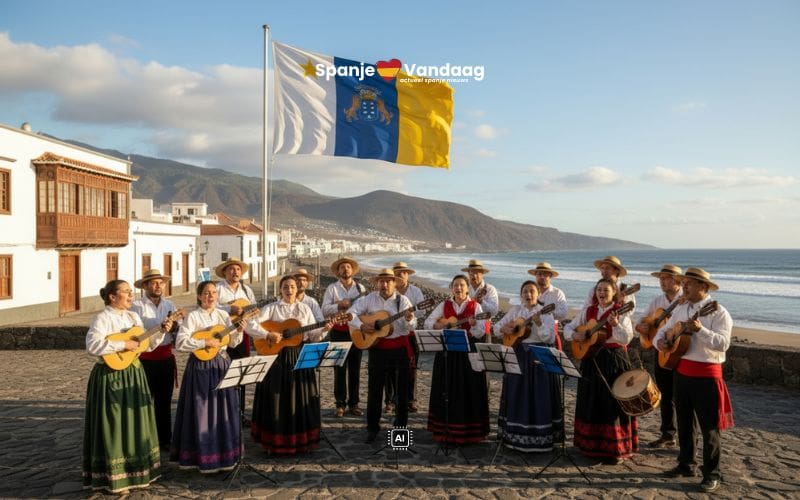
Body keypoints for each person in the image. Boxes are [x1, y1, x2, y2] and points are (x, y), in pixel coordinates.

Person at [83, 280, 168, 494]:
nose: (131, 296)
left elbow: (145, 344)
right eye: (126, 292)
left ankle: (137, 471)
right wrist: (123, 344)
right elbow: (92, 345)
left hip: (133, 372)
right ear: (112, 296)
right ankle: (114, 476)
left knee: (135, 422)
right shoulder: (102, 318)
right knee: (114, 422)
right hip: (110, 376)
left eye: (131, 292)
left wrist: (161, 331)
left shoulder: (133, 317)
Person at [654, 268, 733, 493]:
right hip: (682, 373)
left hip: (707, 375)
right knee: (685, 424)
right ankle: (686, 464)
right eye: (684, 283)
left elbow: (723, 344)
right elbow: (665, 330)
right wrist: (661, 341)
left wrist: (701, 331)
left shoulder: (718, 312)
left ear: (703, 287)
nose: (684, 287)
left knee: (709, 428)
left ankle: (712, 474)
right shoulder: (682, 308)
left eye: (689, 283)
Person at [246, 275, 330, 454]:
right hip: (276, 358)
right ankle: (274, 442)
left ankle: (300, 441)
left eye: (292, 286)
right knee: (275, 398)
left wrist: (325, 328)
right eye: (285, 287)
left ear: (297, 289)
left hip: (298, 355)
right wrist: (267, 334)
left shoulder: (305, 308)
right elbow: (250, 325)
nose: (289, 290)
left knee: (299, 397)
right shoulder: (272, 308)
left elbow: (313, 335)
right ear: (280, 290)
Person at [170, 281, 244, 473]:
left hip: (221, 364)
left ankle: (226, 454)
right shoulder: (193, 316)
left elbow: (233, 342)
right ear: (199, 296)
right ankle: (202, 455)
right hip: (201, 366)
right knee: (202, 409)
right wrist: (204, 341)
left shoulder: (223, 315)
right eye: (206, 293)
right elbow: (180, 343)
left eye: (213, 293)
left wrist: (239, 331)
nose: (210, 296)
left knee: (224, 409)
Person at [564, 278, 637, 464]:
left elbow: (627, 338)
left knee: (612, 404)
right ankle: (590, 446)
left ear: (614, 293)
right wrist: (575, 334)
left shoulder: (621, 311)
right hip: (591, 361)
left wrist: (615, 325)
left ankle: (615, 449)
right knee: (591, 401)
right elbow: (568, 327)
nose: (601, 292)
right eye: (599, 289)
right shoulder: (589, 311)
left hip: (613, 360)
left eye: (605, 289)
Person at [493, 280, 563, 452]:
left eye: (532, 291)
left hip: (538, 357)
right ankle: (514, 436)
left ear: (538, 294)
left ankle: (539, 437)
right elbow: (496, 328)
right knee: (517, 394)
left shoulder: (545, 313)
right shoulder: (516, 310)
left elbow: (549, 339)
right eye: (525, 291)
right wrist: (506, 330)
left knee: (539, 395)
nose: (528, 294)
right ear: (521, 294)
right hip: (518, 356)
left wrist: (538, 323)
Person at [348, 268, 416, 443]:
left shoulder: (404, 301)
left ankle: (400, 433)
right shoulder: (369, 299)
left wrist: (409, 319)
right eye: (381, 281)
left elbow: (412, 327)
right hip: (377, 350)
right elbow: (351, 315)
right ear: (377, 283)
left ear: (395, 283)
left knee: (401, 394)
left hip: (399, 350)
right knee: (374, 391)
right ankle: (372, 428)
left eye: (388, 281)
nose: (384, 284)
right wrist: (361, 326)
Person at [424, 274, 490, 445]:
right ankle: (444, 430)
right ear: (451, 288)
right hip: (447, 353)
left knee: (468, 391)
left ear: (468, 288)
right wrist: (441, 325)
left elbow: (481, 332)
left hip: (467, 353)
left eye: (462, 285)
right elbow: (428, 323)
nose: (458, 288)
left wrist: (474, 324)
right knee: (445, 390)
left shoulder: (476, 307)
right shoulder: (444, 305)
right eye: (455, 285)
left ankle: (468, 433)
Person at [635, 264, 683, 449]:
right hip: (661, 352)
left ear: (677, 281)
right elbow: (640, 321)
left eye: (667, 278)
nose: (663, 282)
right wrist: (642, 327)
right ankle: (667, 433)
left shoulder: (684, 301)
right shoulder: (656, 301)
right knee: (665, 394)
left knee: (681, 397)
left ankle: (687, 438)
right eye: (661, 279)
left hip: (679, 353)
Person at [132, 269, 179, 452]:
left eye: (161, 282)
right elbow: (136, 331)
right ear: (145, 286)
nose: (158, 286)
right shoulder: (136, 306)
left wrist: (173, 326)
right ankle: (144, 439)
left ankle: (164, 439)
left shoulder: (170, 305)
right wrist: (157, 328)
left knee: (164, 401)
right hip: (144, 359)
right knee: (144, 401)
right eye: (153, 282)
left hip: (166, 358)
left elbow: (177, 330)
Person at [322, 256, 366, 417]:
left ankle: (354, 404)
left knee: (355, 370)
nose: (345, 269)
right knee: (339, 369)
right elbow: (324, 310)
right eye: (342, 267)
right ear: (338, 271)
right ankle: (340, 404)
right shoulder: (332, 289)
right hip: (338, 333)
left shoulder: (361, 289)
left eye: (348, 267)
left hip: (356, 332)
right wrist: (339, 305)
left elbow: (366, 310)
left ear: (352, 270)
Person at [215, 257, 256, 422]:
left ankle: (240, 412)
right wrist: (229, 308)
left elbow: (253, 310)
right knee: (222, 372)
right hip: (223, 334)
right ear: (225, 272)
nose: (235, 272)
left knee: (241, 372)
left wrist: (252, 313)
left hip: (242, 334)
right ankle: (222, 413)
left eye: (238, 269)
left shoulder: (246, 290)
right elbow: (209, 307)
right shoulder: (217, 289)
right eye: (231, 269)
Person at [383, 261, 426, 414]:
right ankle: (389, 400)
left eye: (403, 273)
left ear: (407, 275)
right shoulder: (388, 292)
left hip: (410, 333)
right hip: (390, 334)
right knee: (388, 369)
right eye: (397, 273)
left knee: (411, 368)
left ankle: (411, 400)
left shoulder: (415, 291)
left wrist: (410, 315)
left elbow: (422, 311)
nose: (400, 276)